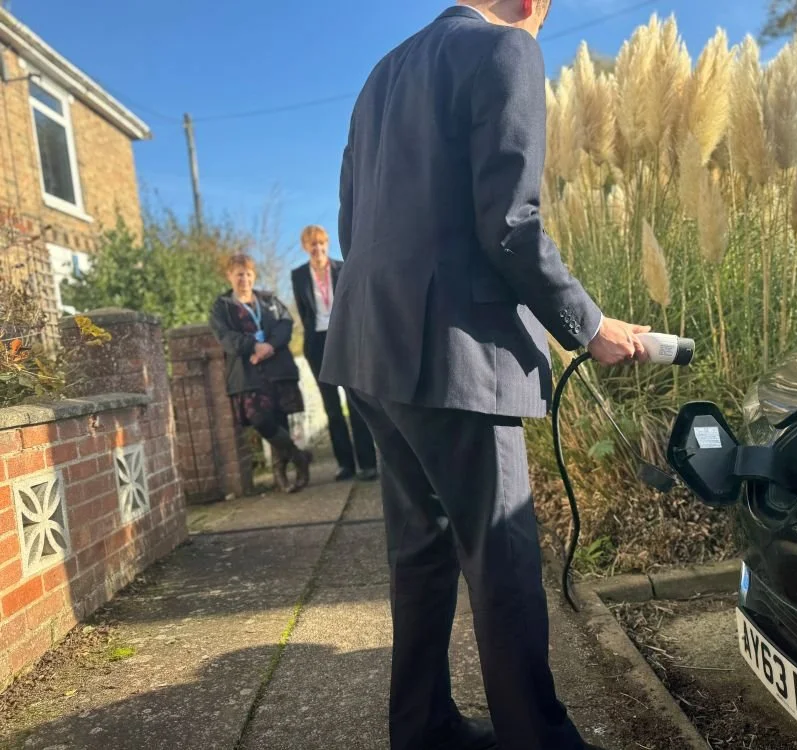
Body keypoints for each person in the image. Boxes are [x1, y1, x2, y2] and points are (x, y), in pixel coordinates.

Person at [321, 2, 651, 749]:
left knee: (420, 552)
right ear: (533, 6)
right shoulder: (505, 49)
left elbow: (351, 221)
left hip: (370, 342)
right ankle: (537, 739)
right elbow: (511, 223)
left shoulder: (380, 75)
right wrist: (591, 327)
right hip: (456, 355)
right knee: (500, 558)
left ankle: (424, 728)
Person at [210, 253, 312, 493]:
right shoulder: (221, 307)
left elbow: (285, 324)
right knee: (260, 420)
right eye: (238, 274)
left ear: (253, 276)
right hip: (247, 374)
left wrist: (269, 346)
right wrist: (253, 346)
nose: (243, 279)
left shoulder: (270, 300)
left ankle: (282, 475)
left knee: (280, 420)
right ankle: (299, 458)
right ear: (229, 276)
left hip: (277, 368)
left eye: (247, 274)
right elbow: (225, 337)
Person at [291, 225, 378, 482]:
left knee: (356, 401)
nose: (317, 249)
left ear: (326, 245)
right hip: (317, 343)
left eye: (321, 244)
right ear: (306, 248)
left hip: (345, 338)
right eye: (312, 245)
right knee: (331, 406)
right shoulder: (298, 276)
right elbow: (305, 313)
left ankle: (368, 462)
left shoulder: (342, 268)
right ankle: (345, 464)